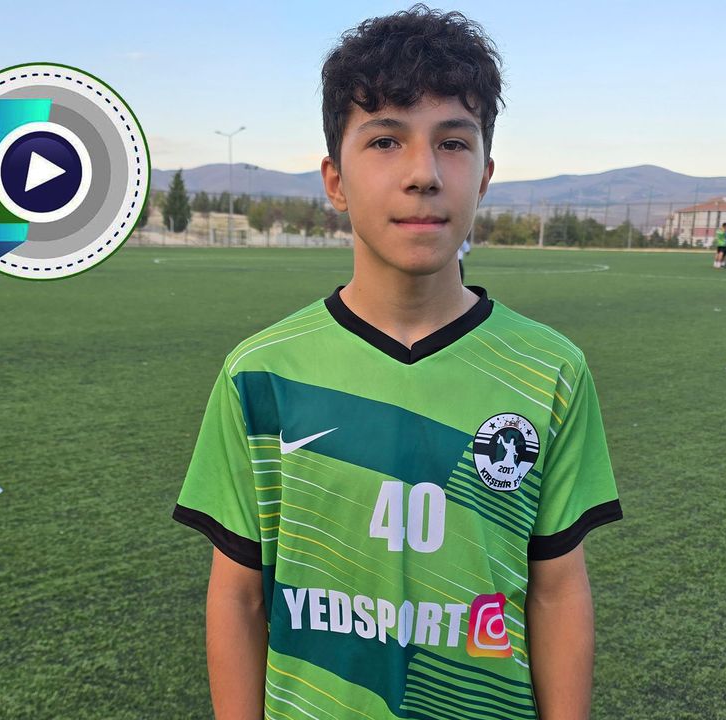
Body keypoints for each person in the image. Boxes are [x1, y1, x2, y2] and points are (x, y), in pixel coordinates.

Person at [173, 7, 622, 719]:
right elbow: (238, 595)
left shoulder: (549, 370)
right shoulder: (259, 374)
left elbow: (558, 589)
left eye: (453, 143)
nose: (423, 173)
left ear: (485, 176)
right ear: (335, 180)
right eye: (385, 140)